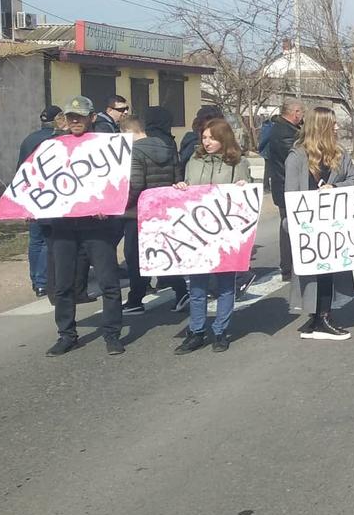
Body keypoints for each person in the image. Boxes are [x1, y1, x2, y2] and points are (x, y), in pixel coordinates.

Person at [44, 96, 126, 358]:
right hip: (63, 227)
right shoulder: (53, 147)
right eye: (71, 116)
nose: (75, 120)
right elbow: (41, 182)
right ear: (65, 120)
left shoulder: (107, 147)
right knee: (63, 286)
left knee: (108, 283)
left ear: (92, 118)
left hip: (97, 226)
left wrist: (110, 204)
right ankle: (67, 335)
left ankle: (112, 334)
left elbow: (118, 182)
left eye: (80, 116)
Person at [170, 118, 252, 354]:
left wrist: (244, 186)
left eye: (212, 138)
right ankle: (196, 331)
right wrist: (182, 187)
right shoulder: (194, 161)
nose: (207, 142)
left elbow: (246, 196)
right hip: (197, 233)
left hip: (224, 233)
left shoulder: (238, 162)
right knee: (197, 286)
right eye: (204, 137)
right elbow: (188, 189)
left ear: (223, 138)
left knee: (226, 285)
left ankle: (220, 330)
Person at [287, 107, 354, 341]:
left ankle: (324, 315)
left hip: (333, 224)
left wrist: (335, 188)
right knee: (313, 273)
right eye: (333, 124)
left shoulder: (340, 154)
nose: (337, 127)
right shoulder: (297, 157)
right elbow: (291, 194)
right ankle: (318, 317)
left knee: (331, 271)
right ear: (322, 127)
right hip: (309, 226)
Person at [118, 115, 186, 315]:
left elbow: (136, 185)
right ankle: (180, 291)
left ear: (128, 132)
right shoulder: (168, 147)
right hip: (163, 211)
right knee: (161, 255)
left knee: (135, 258)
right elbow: (177, 178)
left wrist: (120, 205)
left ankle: (136, 300)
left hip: (137, 213)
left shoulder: (134, 152)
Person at [18, 105, 62, 297]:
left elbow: (21, 170)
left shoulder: (29, 139)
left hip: (32, 194)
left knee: (35, 240)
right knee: (47, 239)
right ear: (58, 120)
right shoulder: (57, 140)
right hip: (51, 195)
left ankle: (36, 280)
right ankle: (44, 281)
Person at [260, 100, 305, 282]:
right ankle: (287, 267)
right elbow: (296, 158)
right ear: (295, 112)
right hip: (287, 186)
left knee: (289, 225)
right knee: (288, 227)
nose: (302, 116)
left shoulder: (283, 129)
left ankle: (290, 265)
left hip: (284, 186)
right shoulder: (284, 133)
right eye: (301, 112)